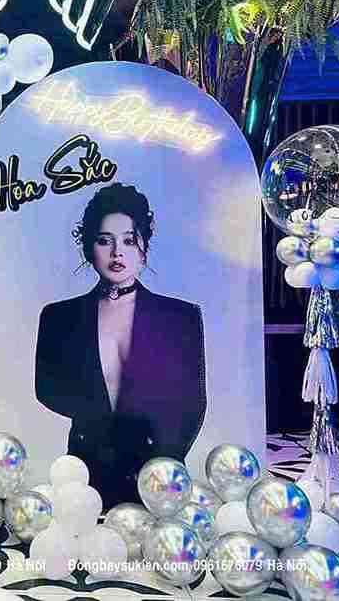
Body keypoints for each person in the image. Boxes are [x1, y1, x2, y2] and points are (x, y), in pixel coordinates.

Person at [35, 183, 207, 506]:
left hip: (156, 478)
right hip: (84, 474)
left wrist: (163, 468)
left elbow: (193, 403)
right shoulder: (59, 317)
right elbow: (46, 389)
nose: (117, 253)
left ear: (144, 247)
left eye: (129, 240)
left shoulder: (179, 317)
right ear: (89, 247)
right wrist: (97, 427)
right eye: (105, 240)